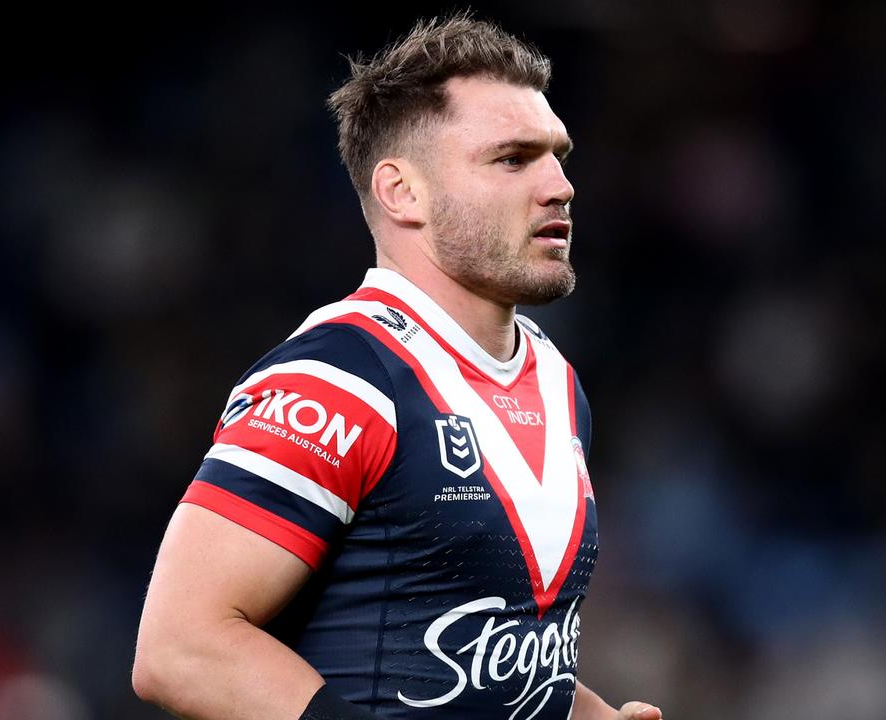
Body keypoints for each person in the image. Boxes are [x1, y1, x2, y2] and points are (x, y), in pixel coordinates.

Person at [132, 14, 664, 720]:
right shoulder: (338, 379)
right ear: (401, 192)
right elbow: (180, 647)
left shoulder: (553, 379)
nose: (560, 184)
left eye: (557, 155)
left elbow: (486, 661)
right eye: (513, 158)